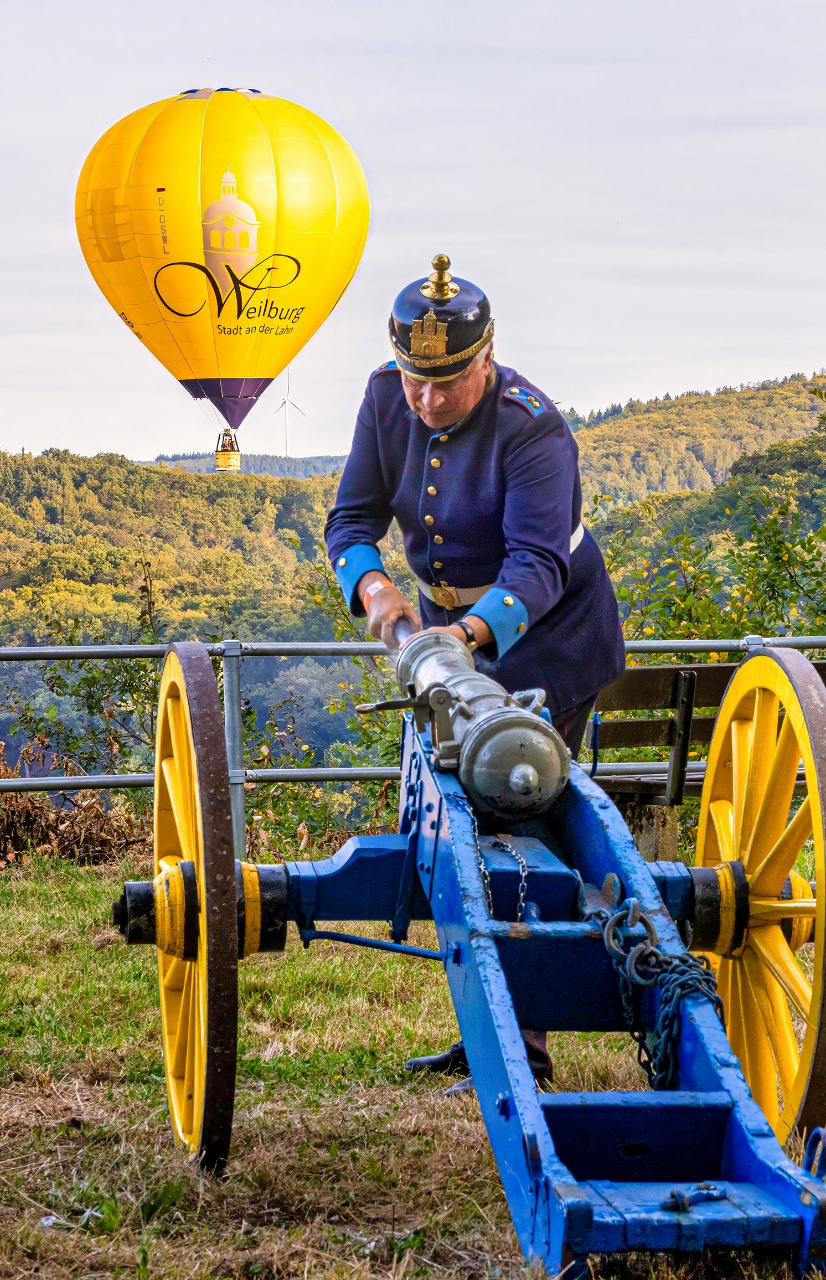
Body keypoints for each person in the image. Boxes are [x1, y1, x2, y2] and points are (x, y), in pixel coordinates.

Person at [324, 253, 627, 1091]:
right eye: (415, 381)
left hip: (549, 638)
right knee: (455, 821)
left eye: (447, 382)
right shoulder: (383, 396)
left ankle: (523, 1049)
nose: (426, 401)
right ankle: (486, 1029)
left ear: (486, 359)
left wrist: (463, 636)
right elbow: (350, 520)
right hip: (441, 640)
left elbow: (538, 565)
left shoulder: (534, 427)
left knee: (515, 808)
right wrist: (374, 588)